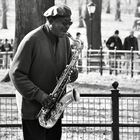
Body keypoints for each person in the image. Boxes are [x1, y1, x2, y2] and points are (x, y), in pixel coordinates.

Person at [9, 5, 78, 140]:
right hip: (33, 111)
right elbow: (16, 74)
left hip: (55, 110)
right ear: (50, 21)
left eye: (69, 23)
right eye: (64, 23)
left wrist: (73, 74)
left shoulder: (65, 40)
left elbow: (69, 66)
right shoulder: (31, 40)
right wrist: (40, 96)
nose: (67, 27)